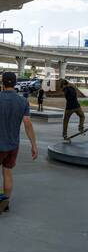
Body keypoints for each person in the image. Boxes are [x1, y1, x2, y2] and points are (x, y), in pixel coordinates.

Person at [0, 73, 38, 211]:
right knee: (7, 171)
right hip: (12, 145)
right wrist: (33, 145)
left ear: (2, 83)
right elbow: (27, 123)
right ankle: (6, 203)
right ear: (15, 84)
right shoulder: (23, 101)